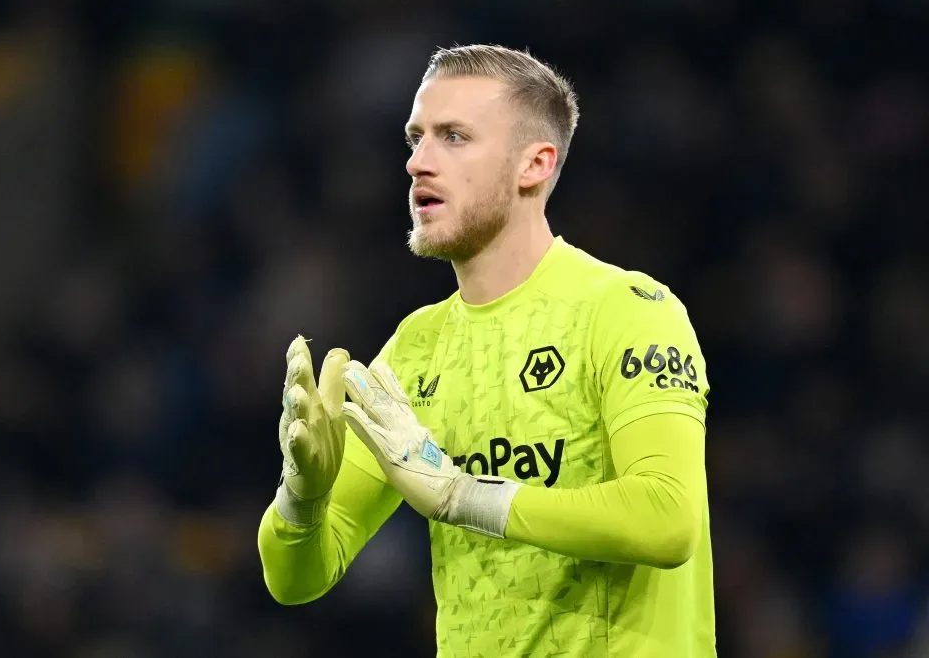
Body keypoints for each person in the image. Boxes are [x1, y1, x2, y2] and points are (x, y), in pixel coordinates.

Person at [258, 43, 716, 657]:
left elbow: (667, 517)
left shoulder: (627, 310)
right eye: (415, 138)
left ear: (534, 165)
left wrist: (462, 496)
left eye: (453, 137)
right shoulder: (418, 347)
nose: (418, 163)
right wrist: (302, 497)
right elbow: (297, 581)